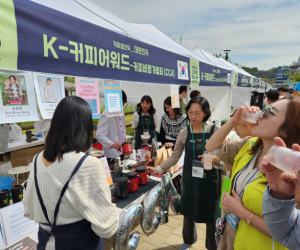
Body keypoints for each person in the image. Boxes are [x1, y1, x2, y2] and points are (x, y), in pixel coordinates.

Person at [22, 96, 119, 250]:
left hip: (45, 243)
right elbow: (106, 227)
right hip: (80, 245)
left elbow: (29, 210)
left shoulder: (36, 160)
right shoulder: (88, 164)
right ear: (85, 128)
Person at [205, 98, 297, 250]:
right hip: (231, 236)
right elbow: (211, 147)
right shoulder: (251, 145)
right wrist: (234, 120)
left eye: (270, 112)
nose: (260, 115)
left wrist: (242, 212)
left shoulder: (293, 171)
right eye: (264, 109)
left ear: (286, 130)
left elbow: (291, 234)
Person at [148, 96, 220, 250]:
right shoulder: (184, 132)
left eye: (197, 113)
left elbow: (224, 155)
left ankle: (213, 246)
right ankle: (188, 240)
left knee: (212, 214)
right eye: (190, 112)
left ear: (206, 113)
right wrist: (158, 169)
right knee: (188, 210)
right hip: (190, 179)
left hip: (210, 180)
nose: (192, 117)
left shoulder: (214, 130)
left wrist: (217, 160)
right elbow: (175, 156)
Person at [261, 136, 300, 250]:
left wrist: (243, 213)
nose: (261, 117)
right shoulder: (249, 148)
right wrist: (280, 195)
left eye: (268, 116)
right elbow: (286, 236)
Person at [97, 90, 127, 163]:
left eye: (122, 104)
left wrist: (125, 139)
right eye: (120, 104)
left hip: (122, 151)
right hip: (111, 154)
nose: (121, 107)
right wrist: (112, 144)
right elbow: (99, 134)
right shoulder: (106, 114)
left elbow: (123, 127)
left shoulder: (121, 111)